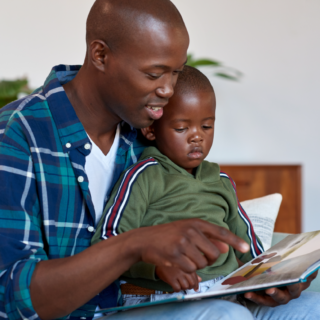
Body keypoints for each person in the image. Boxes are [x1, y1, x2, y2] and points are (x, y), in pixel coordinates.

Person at [0, 0, 316, 319]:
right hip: (91, 313)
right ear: (100, 55)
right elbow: (12, 299)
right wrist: (133, 245)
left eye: (176, 73)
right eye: (154, 74)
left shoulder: (153, 129)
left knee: (311, 308)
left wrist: (271, 277)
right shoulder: (19, 136)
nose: (167, 90)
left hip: (176, 299)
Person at [92, 66, 320, 318]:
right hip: (158, 298)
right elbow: (108, 242)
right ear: (151, 130)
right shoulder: (143, 176)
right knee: (231, 316)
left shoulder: (221, 181)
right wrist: (156, 269)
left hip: (227, 293)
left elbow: (250, 250)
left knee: (314, 307)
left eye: (207, 127)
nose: (197, 137)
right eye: (181, 128)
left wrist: (284, 273)